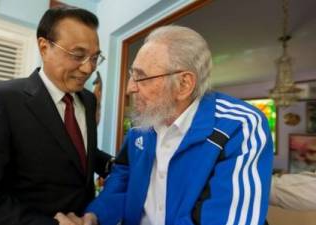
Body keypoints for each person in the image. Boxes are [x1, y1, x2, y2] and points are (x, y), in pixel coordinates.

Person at [79, 25, 274, 225]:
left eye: (141, 77)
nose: (129, 88)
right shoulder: (142, 126)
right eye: (131, 74)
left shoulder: (239, 126)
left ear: (184, 84)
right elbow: (124, 176)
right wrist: (96, 215)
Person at [0, 6, 112, 225]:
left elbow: (74, 150)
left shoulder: (88, 100)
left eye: (95, 57)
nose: (88, 68)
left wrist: (113, 164)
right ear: (44, 47)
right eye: (78, 55)